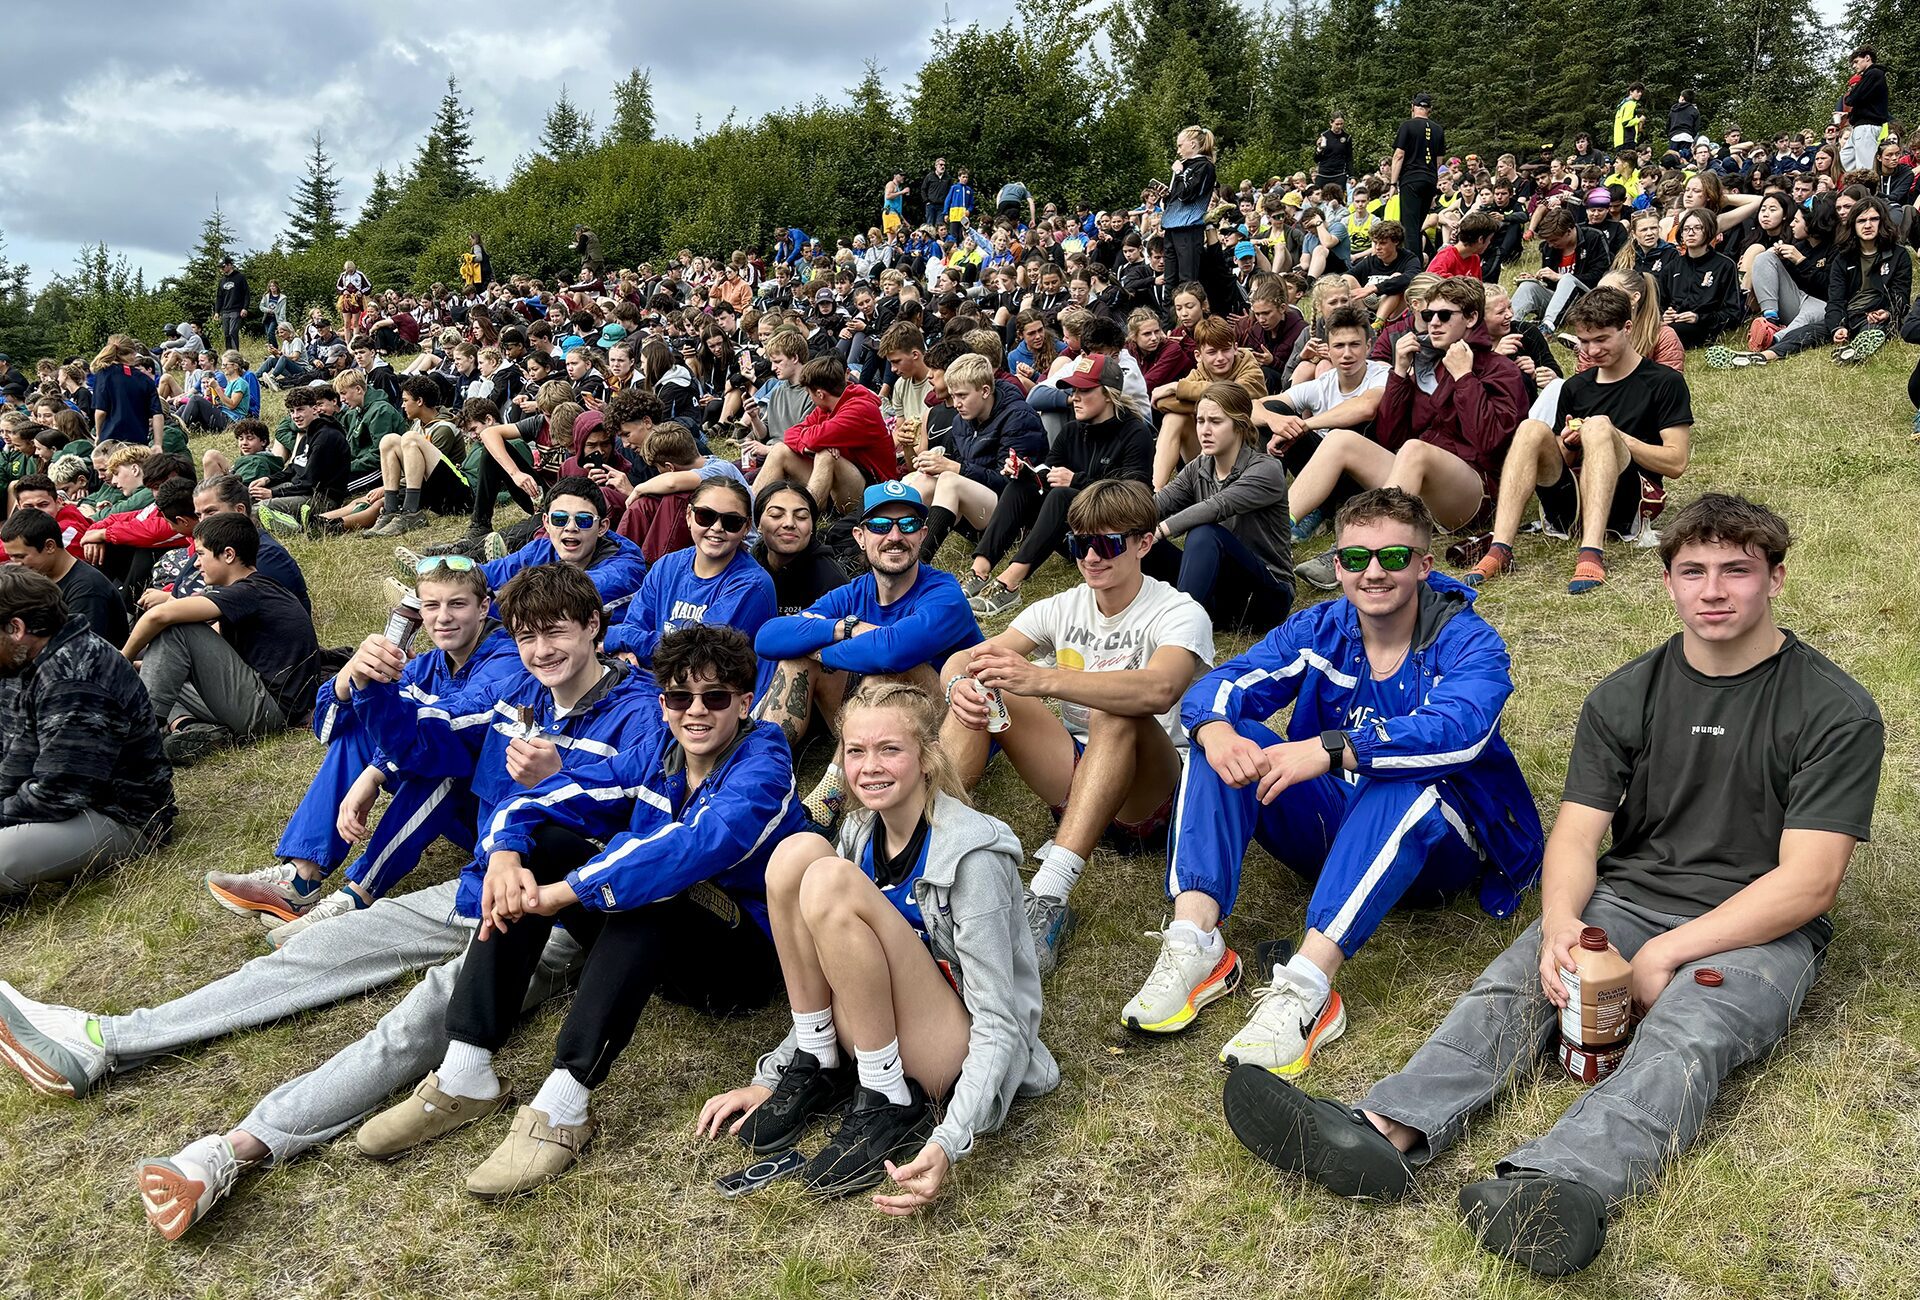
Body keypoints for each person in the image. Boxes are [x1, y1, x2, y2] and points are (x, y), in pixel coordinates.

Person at [1225, 494, 1881, 1278]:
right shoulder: (1627, 693)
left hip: (1758, 926)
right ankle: (1381, 1128)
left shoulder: (1833, 708)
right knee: (1512, 986)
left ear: (1775, 578)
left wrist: (1665, 955)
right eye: (1692, 571)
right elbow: (1575, 834)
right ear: (1667, 582)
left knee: (1689, 1032)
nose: (1713, 590)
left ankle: (1557, 1182)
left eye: (1737, 572)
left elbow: (1810, 882)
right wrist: (1564, 922)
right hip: (1628, 897)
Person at [0, 565, 655, 1237]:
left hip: (551, 916)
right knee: (312, 952)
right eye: (526, 637)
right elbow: (423, 744)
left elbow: (648, 835)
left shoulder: (641, 709)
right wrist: (366, 686)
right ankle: (106, 1039)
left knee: (417, 1020)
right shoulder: (519, 694)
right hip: (475, 885)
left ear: (594, 628)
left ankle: (232, 1150)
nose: (541, 650)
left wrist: (562, 780)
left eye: (554, 634)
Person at [357, 625, 799, 1198]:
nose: (695, 712)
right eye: (678, 697)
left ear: (744, 702)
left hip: (741, 960)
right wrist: (504, 854)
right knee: (543, 846)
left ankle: (565, 1105)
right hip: (657, 949)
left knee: (655, 884)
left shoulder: (764, 760)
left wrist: (567, 892)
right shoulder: (660, 753)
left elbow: (693, 846)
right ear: (661, 702)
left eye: (714, 698)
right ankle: (466, 1068)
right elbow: (550, 794)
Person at [1127, 487, 1542, 1075]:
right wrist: (1216, 729)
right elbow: (1220, 685)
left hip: (1438, 847)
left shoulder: (1468, 640)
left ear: (1425, 565)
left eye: (1393, 558)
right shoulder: (1322, 628)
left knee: (1405, 782)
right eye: (1354, 559)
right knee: (1224, 739)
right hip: (1337, 825)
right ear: (1338, 565)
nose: (1373, 573)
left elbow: (1459, 732)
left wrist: (1331, 749)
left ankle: (1308, 987)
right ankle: (1196, 941)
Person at [698, 681, 1057, 1204]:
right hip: (875, 1024)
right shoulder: (861, 830)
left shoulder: (973, 856)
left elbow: (1001, 1020)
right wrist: (772, 1076)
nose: (869, 766)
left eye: (889, 749)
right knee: (796, 854)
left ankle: (888, 1096)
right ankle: (818, 1064)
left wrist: (948, 1140)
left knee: (827, 879)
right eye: (856, 751)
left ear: (928, 759)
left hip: (946, 1050)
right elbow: (830, 971)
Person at [941, 479, 1214, 972]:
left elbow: (1159, 691)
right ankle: (934, 852)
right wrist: (955, 684)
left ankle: (1048, 896)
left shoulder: (1179, 610)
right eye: (1079, 544)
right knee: (979, 684)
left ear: (1144, 543)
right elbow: (965, 656)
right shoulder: (1061, 606)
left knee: (1117, 702)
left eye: (1107, 544)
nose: (1091, 557)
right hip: (1076, 776)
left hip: (1152, 793)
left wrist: (1045, 678)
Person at [199, 557, 520, 937]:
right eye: (431, 606)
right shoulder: (428, 664)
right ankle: (301, 879)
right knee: (358, 726)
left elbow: (448, 730)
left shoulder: (507, 659)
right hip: (442, 784)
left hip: (491, 817)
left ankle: (357, 895)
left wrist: (375, 772)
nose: (443, 618)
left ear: (484, 607)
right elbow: (328, 728)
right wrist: (350, 676)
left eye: (457, 604)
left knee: (443, 765)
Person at [755, 482, 982, 827]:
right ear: (861, 537)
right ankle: (758, 775)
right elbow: (768, 638)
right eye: (880, 526)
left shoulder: (945, 593)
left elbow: (892, 651)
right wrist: (841, 629)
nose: (894, 535)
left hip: (944, 734)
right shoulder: (854, 593)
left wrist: (819, 648)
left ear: (922, 535)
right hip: (878, 731)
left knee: (884, 675)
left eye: (906, 525)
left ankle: (832, 795)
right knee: (793, 659)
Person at [1290, 277, 1527, 588]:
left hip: (1472, 494)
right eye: (1428, 316)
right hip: (1417, 484)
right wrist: (1400, 374)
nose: (1434, 323)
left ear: (1471, 318)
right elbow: (1389, 439)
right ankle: (1275, 532)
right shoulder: (1428, 364)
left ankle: (1358, 546)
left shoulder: (1500, 369)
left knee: (1415, 450)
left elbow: (1492, 445)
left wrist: (1465, 378)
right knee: (1341, 439)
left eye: (1445, 315)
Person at [1468, 287, 1693, 593]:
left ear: (1626, 328)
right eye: (1584, 342)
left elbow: (1676, 462)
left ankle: (1592, 551)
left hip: (1628, 501)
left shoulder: (1664, 382)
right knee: (1531, 428)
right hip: (1572, 502)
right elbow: (1565, 460)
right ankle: (1500, 548)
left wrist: (1616, 436)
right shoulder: (1576, 387)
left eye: (1601, 339)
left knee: (1599, 426)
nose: (1592, 350)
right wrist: (1570, 443)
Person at [0, 567, 172, 902]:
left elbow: (60, 793)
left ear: (17, 628)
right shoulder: (20, 659)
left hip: (117, 816)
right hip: (40, 799)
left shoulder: (77, 679)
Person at [121, 513, 320, 765]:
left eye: (201, 554)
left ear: (228, 555)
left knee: (177, 628)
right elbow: (201, 658)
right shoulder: (255, 590)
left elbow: (159, 616)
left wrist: (123, 658)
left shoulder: (249, 591)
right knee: (158, 671)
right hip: (262, 704)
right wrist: (141, 665)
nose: (195, 563)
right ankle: (193, 729)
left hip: (270, 712)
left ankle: (139, 738)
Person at [964, 354, 1154, 617]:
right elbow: (1048, 476)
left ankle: (1009, 583)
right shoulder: (1072, 430)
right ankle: (979, 570)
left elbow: (1137, 495)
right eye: (1074, 389)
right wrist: (1026, 472)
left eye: (1084, 390)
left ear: (1109, 394)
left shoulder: (1135, 432)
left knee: (1064, 496)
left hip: (1111, 542)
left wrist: (1076, 481)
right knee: (1021, 487)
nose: (1074, 396)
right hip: (1072, 537)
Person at [1148, 381, 1293, 632]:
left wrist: (1161, 529)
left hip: (1265, 598)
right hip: (1218, 591)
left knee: (1204, 533)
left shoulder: (1267, 469)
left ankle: (1180, 634)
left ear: (1240, 425)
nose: (1204, 430)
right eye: (1200, 421)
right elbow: (1161, 502)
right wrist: (1118, 522)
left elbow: (1217, 506)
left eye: (1215, 422)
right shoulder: (1199, 466)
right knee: (1139, 541)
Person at [605, 478, 775, 684]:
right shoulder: (666, 566)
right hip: (652, 684)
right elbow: (635, 625)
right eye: (705, 516)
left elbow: (699, 657)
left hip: (711, 698)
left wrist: (617, 637)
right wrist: (624, 650)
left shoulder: (752, 585)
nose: (717, 527)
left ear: (746, 527)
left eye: (731, 522)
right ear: (688, 516)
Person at [903, 352, 1045, 562]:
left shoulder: (1019, 417)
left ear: (985, 391)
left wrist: (955, 468)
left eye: (962, 396)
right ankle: (890, 550)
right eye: (953, 396)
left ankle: (918, 564)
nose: (956, 403)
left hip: (1016, 516)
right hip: (980, 509)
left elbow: (1012, 484)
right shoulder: (963, 420)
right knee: (924, 479)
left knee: (950, 480)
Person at [478, 477, 648, 622]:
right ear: (546, 523)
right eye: (560, 519)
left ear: (602, 527)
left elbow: (552, 600)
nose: (571, 527)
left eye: (584, 520)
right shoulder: (541, 549)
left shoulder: (624, 572)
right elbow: (481, 574)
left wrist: (485, 604)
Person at [755, 355, 897, 515]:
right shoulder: (826, 407)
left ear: (820, 394)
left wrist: (815, 444)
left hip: (873, 491)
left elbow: (813, 439)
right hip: (839, 481)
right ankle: (749, 512)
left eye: (809, 392)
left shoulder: (860, 409)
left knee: (826, 454)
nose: (810, 397)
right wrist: (809, 448)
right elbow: (790, 434)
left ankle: (804, 518)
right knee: (780, 449)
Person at [1, 509, 128, 647]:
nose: (16, 564)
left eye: (21, 556)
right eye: (11, 557)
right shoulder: (39, 574)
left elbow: (82, 649)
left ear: (49, 546)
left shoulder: (87, 589)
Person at [1824, 195, 1908, 362]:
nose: (1868, 225)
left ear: (1882, 222)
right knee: (1810, 331)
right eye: (1861, 221)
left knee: (1874, 330)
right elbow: (1835, 299)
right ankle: (1768, 352)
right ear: (1853, 225)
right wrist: (1837, 327)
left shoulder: (1898, 255)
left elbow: (1901, 295)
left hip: (1876, 315)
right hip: (1848, 315)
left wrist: (1888, 313)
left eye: (1874, 219)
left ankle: (1851, 353)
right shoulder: (1843, 258)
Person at [1511, 205, 1614, 332]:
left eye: (1554, 240)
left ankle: (1547, 329)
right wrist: (1537, 279)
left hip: (1588, 301)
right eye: (1548, 241)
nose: (1550, 244)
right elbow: (1551, 285)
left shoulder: (1594, 238)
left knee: (1567, 279)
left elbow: (1600, 276)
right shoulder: (1550, 247)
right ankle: (1509, 325)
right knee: (1528, 286)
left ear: (1569, 231)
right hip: (1558, 304)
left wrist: (1560, 277)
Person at [752, 480, 846, 616]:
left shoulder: (832, 583)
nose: (789, 523)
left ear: (812, 527)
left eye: (801, 517)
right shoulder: (747, 565)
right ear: (758, 524)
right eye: (776, 515)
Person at [1656, 207, 1743, 348]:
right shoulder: (1671, 267)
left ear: (1708, 231)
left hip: (1704, 327)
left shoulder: (1725, 265)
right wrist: (1664, 316)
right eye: (1686, 229)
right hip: (1672, 324)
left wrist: (1698, 318)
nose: (1691, 233)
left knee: (1665, 333)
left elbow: (1732, 314)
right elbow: (1660, 305)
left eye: (1697, 228)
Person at [1389, 94, 1446, 260]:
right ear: (1430, 109)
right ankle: (1424, 258)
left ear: (1412, 107)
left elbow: (1399, 155)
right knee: (1418, 224)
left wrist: (1393, 183)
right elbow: (1439, 161)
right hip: (1429, 179)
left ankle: (1412, 267)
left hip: (1411, 179)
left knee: (1410, 227)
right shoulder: (1438, 129)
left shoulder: (1407, 126)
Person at [1162, 127, 1217, 294]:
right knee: (1169, 282)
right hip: (1171, 227)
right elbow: (1177, 197)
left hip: (1189, 228)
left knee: (1187, 282)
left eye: (1180, 146)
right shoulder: (1184, 165)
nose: (1178, 150)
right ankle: (1169, 320)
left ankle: (1191, 318)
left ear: (1192, 144)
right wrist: (1166, 195)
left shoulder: (1205, 166)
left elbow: (1188, 195)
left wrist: (1179, 173)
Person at [1840, 46, 1890, 171]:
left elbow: (1852, 98)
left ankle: (1867, 189)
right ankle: (1856, 187)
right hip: (1859, 126)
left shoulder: (1874, 74)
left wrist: (1852, 95)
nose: (1854, 66)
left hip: (1868, 126)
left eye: (1856, 61)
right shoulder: (1869, 76)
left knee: (1866, 168)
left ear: (1867, 58)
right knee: (1844, 159)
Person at [215, 256, 250, 353]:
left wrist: (245, 308)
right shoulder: (222, 281)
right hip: (225, 311)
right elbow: (219, 297)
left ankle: (235, 354)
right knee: (226, 334)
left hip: (236, 309)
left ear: (230, 265)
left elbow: (246, 294)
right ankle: (229, 355)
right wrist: (217, 311)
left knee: (232, 332)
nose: (222, 269)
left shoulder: (240, 277)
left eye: (223, 266)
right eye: (221, 267)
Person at [1313, 115, 1353, 190]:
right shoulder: (1324, 136)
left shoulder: (1347, 137)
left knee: (1338, 199)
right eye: (1337, 124)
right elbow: (1316, 159)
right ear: (1331, 123)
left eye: (1341, 124)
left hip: (1340, 174)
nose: (1339, 126)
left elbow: (1349, 158)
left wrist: (1352, 176)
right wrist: (1319, 148)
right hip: (1323, 174)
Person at [1612, 83, 1646, 151]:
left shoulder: (1622, 104)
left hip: (1619, 141)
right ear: (1631, 92)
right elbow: (1626, 123)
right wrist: (1639, 119)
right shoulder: (1630, 104)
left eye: (1641, 92)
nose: (1640, 94)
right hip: (1627, 140)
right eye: (1637, 91)